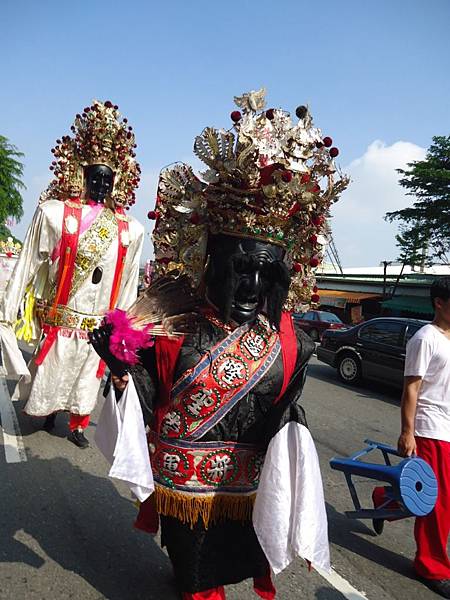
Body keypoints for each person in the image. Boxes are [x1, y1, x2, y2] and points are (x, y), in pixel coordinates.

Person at [91, 89, 349, 598]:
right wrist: (119, 371)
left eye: (264, 274)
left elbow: (283, 401)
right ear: (212, 265)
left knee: (233, 560)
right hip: (183, 480)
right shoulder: (173, 322)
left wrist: (291, 425)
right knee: (195, 576)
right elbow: (144, 395)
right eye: (240, 270)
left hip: (247, 485)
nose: (252, 288)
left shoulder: (289, 337)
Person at [0, 100, 144, 449]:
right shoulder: (55, 214)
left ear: (117, 182)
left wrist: (121, 336)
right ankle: (48, 412)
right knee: (54, 369)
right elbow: (28, 263)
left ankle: (78, 425)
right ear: (82, 176)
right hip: (62, 314)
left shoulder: (130, 230)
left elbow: (127, 286)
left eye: (107, 180)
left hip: (95, 323)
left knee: (86, 377)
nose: (100, 185)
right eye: (95, 177)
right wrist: (7, 311)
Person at [396, 276, 450, 598]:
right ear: (439, 303)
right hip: (431, 430)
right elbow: (411, 388)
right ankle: (431, 566)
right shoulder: (425, 338)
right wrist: (407, 432)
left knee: (430, 496)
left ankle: (384, 496)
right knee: (437, 503)